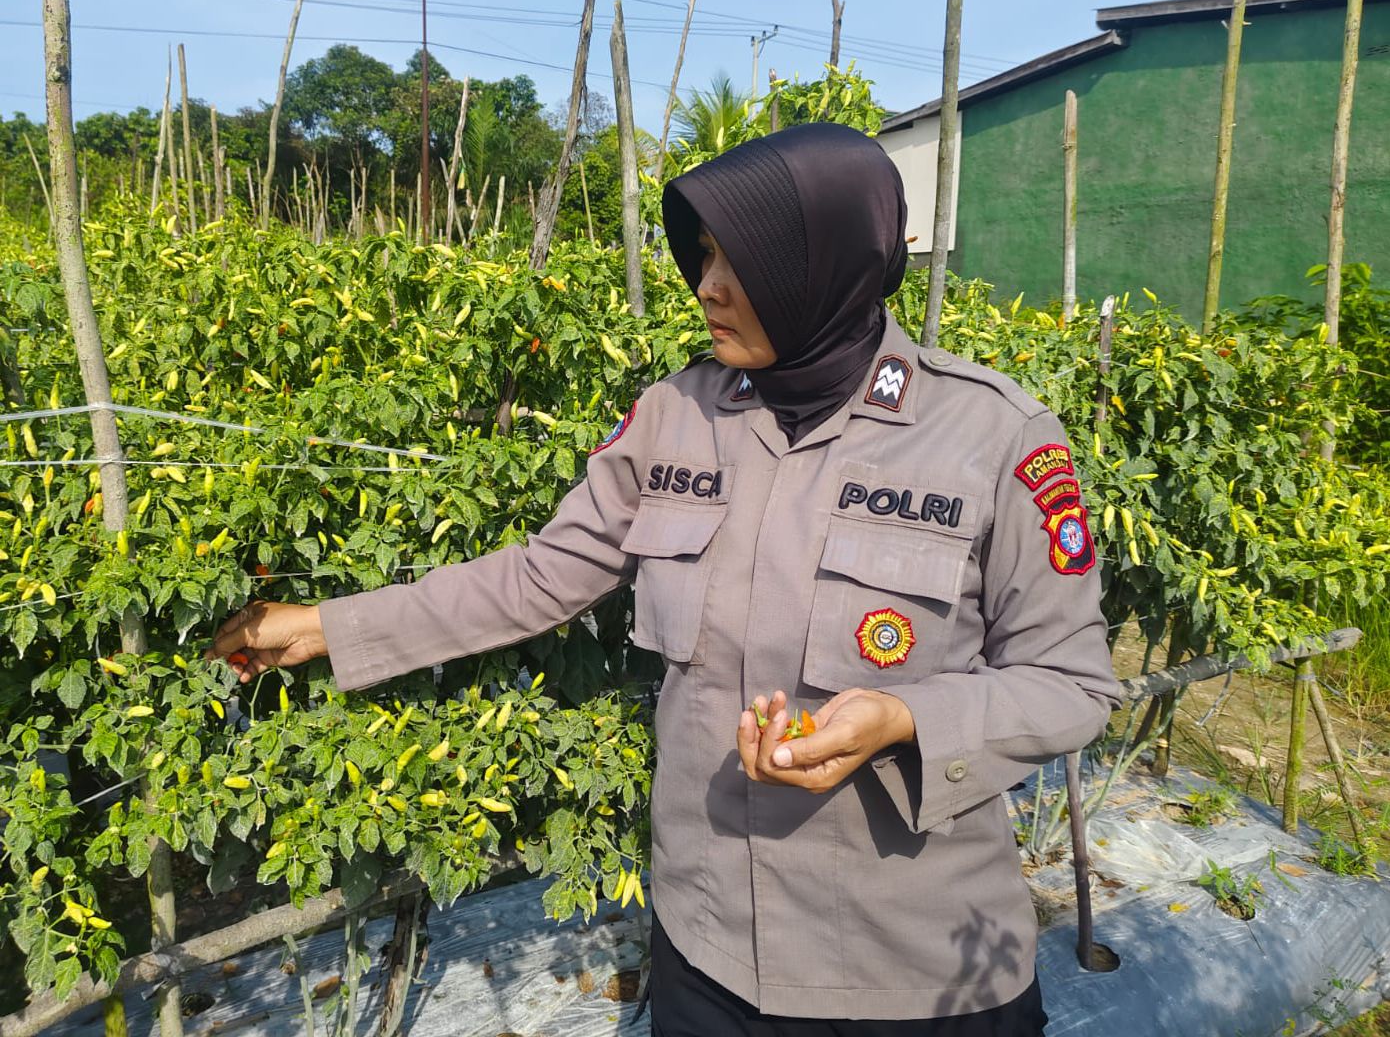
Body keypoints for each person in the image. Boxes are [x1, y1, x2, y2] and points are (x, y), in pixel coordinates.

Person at [211, 123, 1122, 1036]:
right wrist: (332, 624)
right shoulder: (676, 416)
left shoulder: (994, 436)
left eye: (745, 264)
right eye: (705, 256)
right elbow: (539, 576)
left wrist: (906, 720)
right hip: (708, 949)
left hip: (913, 971)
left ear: (830, 267)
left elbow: (1069, 682)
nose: (708, 287)